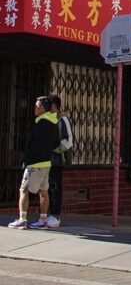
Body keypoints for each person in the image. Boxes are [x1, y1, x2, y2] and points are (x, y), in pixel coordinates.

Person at [9, 96, 60, 229]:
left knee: (24, 190)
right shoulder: (54, 122)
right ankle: (43, 220)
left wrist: (27, 160)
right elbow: (57, 143)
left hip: (35, 163)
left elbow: (34, 144)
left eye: (36, 107)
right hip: (46, 163)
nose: (35, 109)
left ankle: (22, 219)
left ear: (42, 108)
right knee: (44, 191)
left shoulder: (41, 123)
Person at [46, 95, 73, 229]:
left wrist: (52, 147)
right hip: (44, 160)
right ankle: (45, 214)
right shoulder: (46, 118)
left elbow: (68, 142)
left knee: (54, 187)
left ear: (54, 105)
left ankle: (55, 215)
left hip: (56, 161)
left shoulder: (62, 119)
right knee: (45, 187)